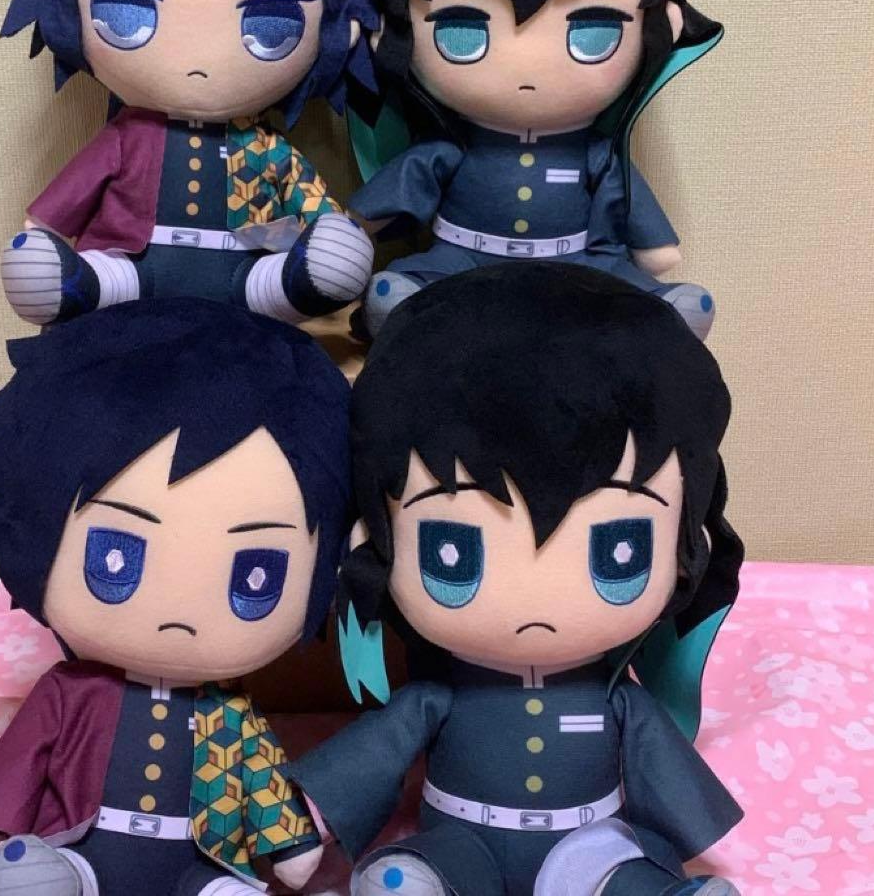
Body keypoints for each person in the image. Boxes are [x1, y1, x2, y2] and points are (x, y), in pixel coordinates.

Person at [292, 262, 745, 896]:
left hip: (591, 845)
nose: (538, 602)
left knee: (618, 876)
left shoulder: (619, 701)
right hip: (462, 838)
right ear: (375, 541)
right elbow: (374, 754)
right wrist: (306, 816)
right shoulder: (435, 699)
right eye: (453, 554)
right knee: (420, 875)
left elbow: (666, 774)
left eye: (619, 553)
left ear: (686, 544)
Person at [0, 299, 352, 895]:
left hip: (204, 865)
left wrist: (291, 844)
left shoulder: (232, 716)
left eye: (256, 577)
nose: (180, 616)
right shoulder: (69, 695)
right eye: (115, 558)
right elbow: (21, 761)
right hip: (80, 851)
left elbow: (264, 782)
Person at [0, 0, 390, 327]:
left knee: (301, 269)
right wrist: (42, 231)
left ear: (342, 25)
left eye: (270, 23)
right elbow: (63, 202)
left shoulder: (267, 149)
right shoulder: (125, 140)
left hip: (245, 272)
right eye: (128, 11)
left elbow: (310, 201)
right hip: (134, 266)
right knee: (106, 279)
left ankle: (298, 284)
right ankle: (76, 285)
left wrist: (330, 233)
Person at [350, 0, 723, 340]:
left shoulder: (598, 157)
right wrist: (357, 227)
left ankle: (661, 312)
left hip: (577, 263)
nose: (526, 65)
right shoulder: (448, 151)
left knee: (627, 287)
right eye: (463, 31)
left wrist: (654, 252)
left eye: (592, 31)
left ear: (663, 22)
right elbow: (393, 194)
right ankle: (407, 304)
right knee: (404, 286)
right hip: (462, 257)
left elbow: (651, 245)